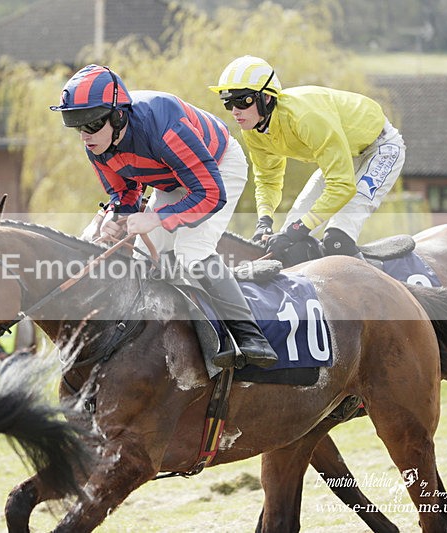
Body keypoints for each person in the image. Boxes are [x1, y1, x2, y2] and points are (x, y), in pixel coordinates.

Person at [50, 64, 277, 370]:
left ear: (118, 116)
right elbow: (126, 193)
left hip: (218, 170)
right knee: (143, 259)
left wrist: (157, 219)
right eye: (77, 127)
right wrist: (115, 218)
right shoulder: (98, 144)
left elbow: (210, 194)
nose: (84, 137)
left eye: (90, 125)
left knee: (190, 251)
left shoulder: (164, 126)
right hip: (171, 178)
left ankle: (252, 337)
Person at [210, 55, 406, 263]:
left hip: (380, 149)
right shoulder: (253, 130)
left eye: (243, 101)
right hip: (344, 154)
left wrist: (299, 228)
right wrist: (264, 221)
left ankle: (383, 290)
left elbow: (342, 185)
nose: (235, 111)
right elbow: (268, 180)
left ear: (266, 98)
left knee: (337, 240)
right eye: (228, 103)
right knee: (289, 246)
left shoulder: (305, 118)